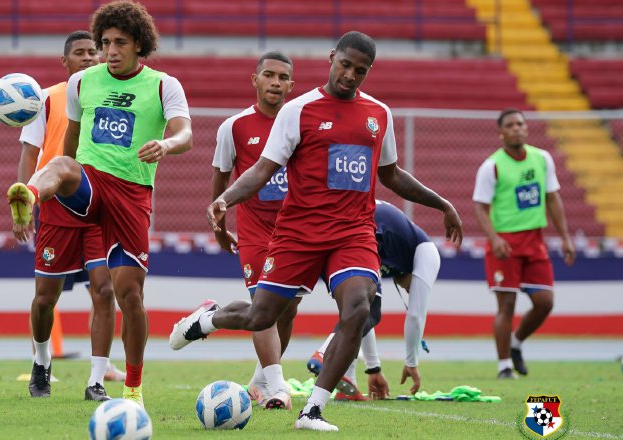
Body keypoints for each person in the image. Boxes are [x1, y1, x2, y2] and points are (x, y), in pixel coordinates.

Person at [170, 31, 462, 432]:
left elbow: (391, 174)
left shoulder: (379, 114)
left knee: (358, 309)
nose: (350, 75)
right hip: (298, 233)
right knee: (260, 316)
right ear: (331, 58)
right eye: (345, 65)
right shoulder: (299, 110)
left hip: (354, 233)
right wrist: (226, 199)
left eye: (360, 70)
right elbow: (261, 169)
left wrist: (442, 203)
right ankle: (208, 319)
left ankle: (312, 411)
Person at [7, 0, 192, 407]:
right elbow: (70, 144)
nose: (109, 50)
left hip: (131, 195)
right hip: (87, 185)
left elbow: (185, 134)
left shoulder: (164, 85)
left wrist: (166, 144)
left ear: (140, 44)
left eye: (119, 43)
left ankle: (131, 389)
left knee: (128, 295)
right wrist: (56, 178)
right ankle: (30, 193)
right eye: (104, 41)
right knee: (61, 164)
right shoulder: (82, 83)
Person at [16, 30, 121, 401]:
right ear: (66, 62)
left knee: (105, 290)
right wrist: (23, 201)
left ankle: (96, 380)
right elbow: (30, 154)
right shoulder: (45, 99)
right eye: (81, 53)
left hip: (99, 206)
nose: (91, 57)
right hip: (57, 207)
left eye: (95, 51)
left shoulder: (116, 96)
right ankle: (42, 361)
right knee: (45, 298)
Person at [211, 51, 298, 410]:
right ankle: (279, 386)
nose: (276, 82)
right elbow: (220, 179)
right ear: (255, 80)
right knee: (263, 305)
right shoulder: (234, 127)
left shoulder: (301, 123)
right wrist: (220, 226)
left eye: (283, 77)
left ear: (292, 85)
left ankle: (258, 383)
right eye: (269, 75)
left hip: (294, 232)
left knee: (287, 309)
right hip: (254, 231)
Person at [473, 108, 575, 379]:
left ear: (526, 128)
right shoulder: (491, 166)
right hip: (505, 243)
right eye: (510, 125)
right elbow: (480, 207)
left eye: (521, 123)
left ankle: (516, 343)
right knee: (506, 306)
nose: (517, 128)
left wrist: (565, 237)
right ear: (501, 132)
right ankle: (504, 366)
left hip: (535, 240)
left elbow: (552, 198)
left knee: (545, 301)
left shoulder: (542, 159)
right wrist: (494, 238)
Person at [307, 199, 441, 400]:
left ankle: (347, 377)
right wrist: (411, 363)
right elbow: (415, 315)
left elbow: (362, 316)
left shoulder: (392, 257)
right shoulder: (426, 251)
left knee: (360, 308)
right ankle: (325, 354)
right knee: (367, 309)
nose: (408, 290)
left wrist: (374, 369)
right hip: (359, 225)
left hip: (331, 226)